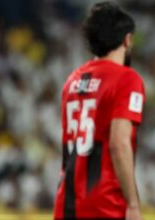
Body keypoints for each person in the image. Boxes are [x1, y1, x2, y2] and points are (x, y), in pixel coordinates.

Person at [53, 2, 144, 220]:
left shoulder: (72, 81)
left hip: (66, 202)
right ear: (127, 39)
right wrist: (132, 203)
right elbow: (119, 144)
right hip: (105, 205)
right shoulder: (127, 78)